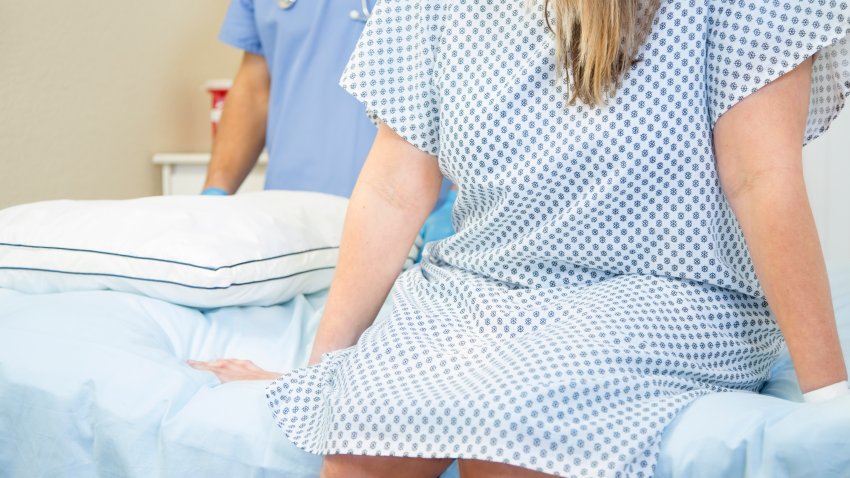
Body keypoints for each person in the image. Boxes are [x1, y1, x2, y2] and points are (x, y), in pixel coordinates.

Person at [190, 0, 850, 476]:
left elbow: (762, 177)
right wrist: (320, 376)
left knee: (511, 428)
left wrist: (830, 400)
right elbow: (394, 189)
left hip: (665, 292)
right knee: (363, 436)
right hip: (477, 288)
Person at [200, 0, 455, 243]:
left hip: (414, 222)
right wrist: (215, 194)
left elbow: (484, 83)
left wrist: (459, 199)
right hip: (289, 223)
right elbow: (255, 86)